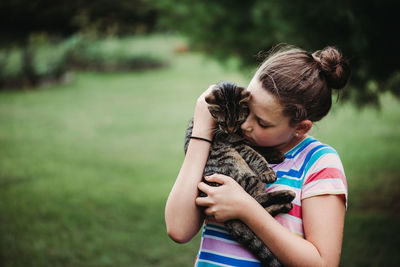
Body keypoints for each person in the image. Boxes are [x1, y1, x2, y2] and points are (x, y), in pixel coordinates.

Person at [165, 45, 350, 267]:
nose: (245, 124)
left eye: (262, 122)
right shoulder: (224, 143)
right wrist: (202, 130)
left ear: (301, 127)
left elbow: (323, 264)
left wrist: (247, 209)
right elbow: (178, 228)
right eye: (247, 109)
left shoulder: (319, 162)